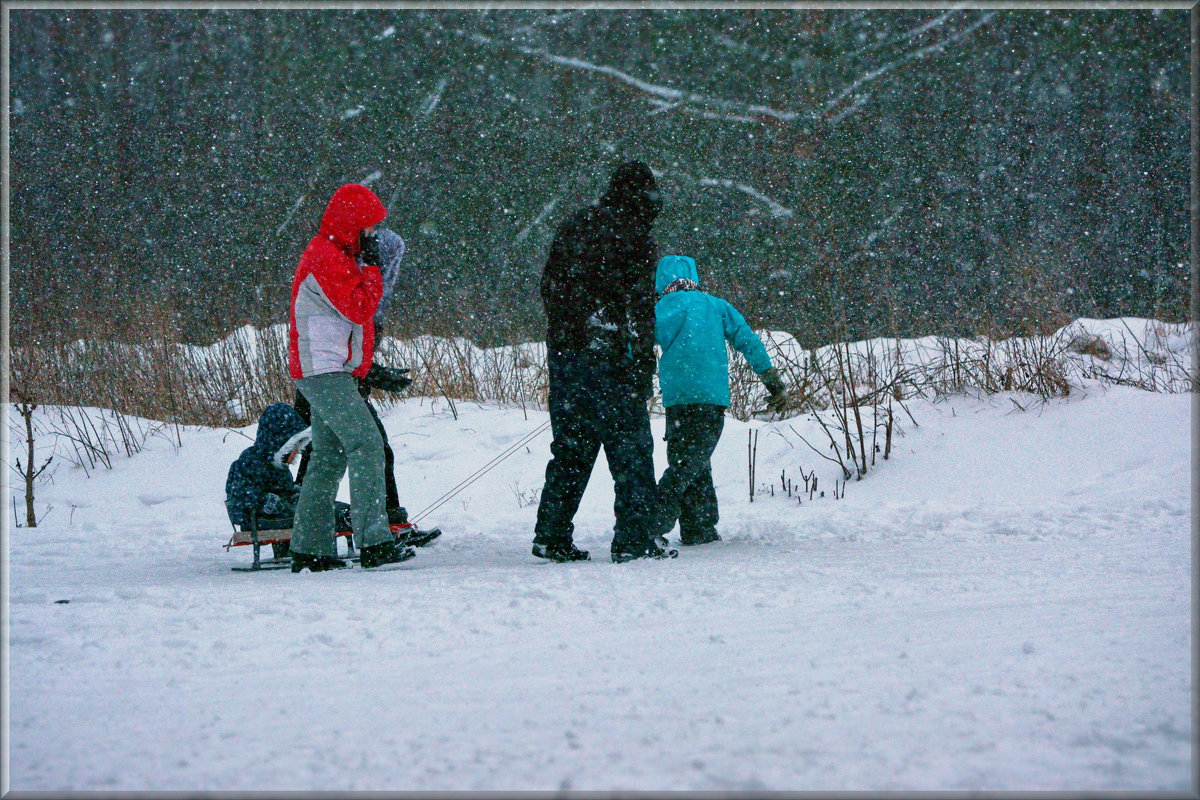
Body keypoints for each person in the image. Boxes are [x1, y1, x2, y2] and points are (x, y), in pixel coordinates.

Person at [532, 160, 677, 564]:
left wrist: (569, 333)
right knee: (631, 448)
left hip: (566, 355)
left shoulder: (576, 224)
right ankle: (635, 539)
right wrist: (642, 364)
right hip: (613, 358)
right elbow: (639, 308)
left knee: (572, 448)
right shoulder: (636, 239)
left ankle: (552, 535)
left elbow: (549, 287)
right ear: (642, 198)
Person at [287, 183, 415, 572]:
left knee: (329, 455)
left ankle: (310, 549)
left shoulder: (337, 255)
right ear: (351, 226)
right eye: (369, 228)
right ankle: (374, 541)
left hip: (329, 368)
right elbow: (360, 308)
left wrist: (365, 368)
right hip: (323, 370)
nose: (373, 236)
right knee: (367, 444)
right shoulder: (327, 256)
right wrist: (374, 267)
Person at [293, 226, 442, 548]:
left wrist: (372, 372)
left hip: (337, 379)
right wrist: (374, 374)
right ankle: (372, 534)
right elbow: (340, 343)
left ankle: (383, 523)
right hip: (326, 378)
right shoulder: (348, 285)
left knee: (329, 453)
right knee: (344, 449)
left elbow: (356, 346)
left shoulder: (369, 296)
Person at [652, 253, 789, 545]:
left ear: (661, 281)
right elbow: (747, 341)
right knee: (688, 465)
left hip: (677, 400)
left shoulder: (658, 310)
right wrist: (771, 379)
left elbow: (635, 347)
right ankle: (650, 525)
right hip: (709, 397)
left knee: (691, 460)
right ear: (694, 277)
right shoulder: (716, 306)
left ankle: (699, 528)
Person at [224, 402, 352, 560]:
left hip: (278, 513)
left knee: (316, 504)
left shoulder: (277, 465)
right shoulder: (251, 462)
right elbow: (241, 495)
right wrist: (270, 503)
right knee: (311, 513)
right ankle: (339, 518)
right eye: (293, 447)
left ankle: (345, 512)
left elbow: (286, 490)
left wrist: (298, 494)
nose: (297, 452)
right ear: (280, 444)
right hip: (259, 518)